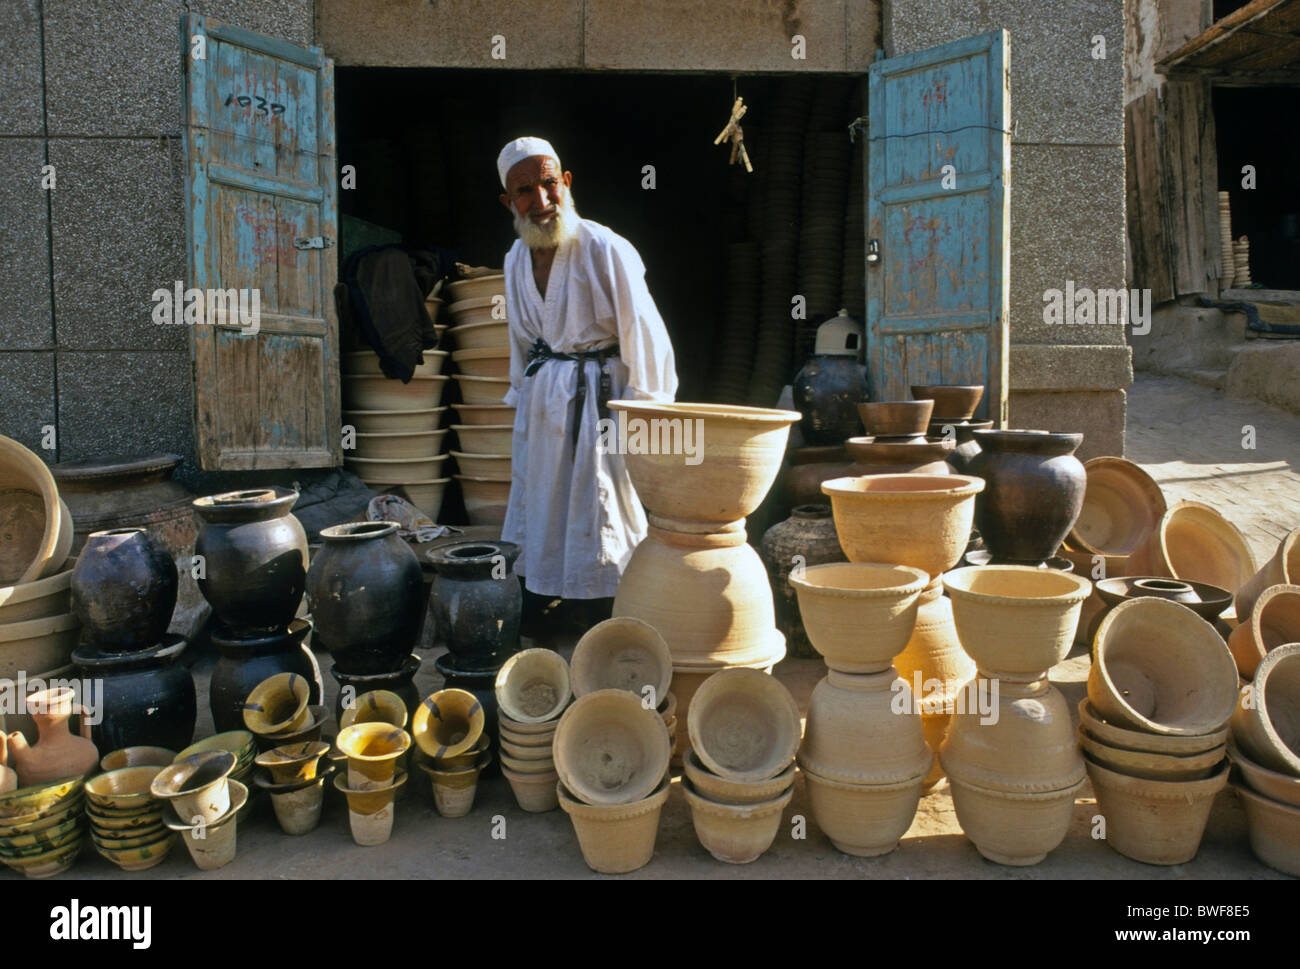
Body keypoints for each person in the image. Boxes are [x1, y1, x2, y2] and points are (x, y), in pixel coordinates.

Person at [495, 136, 678, 633]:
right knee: (544, 501)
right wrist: (524, 395)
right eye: (525, 191)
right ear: (509, 202)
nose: (542, 200)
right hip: (545, 399)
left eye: (549, 183)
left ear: (566, 182)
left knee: (601, 506)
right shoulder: (515, 259)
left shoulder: (604, 248)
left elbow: (645, 333)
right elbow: (520, 340)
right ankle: (550, 600)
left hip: (602, 398)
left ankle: (605, 613)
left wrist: (645, 415)